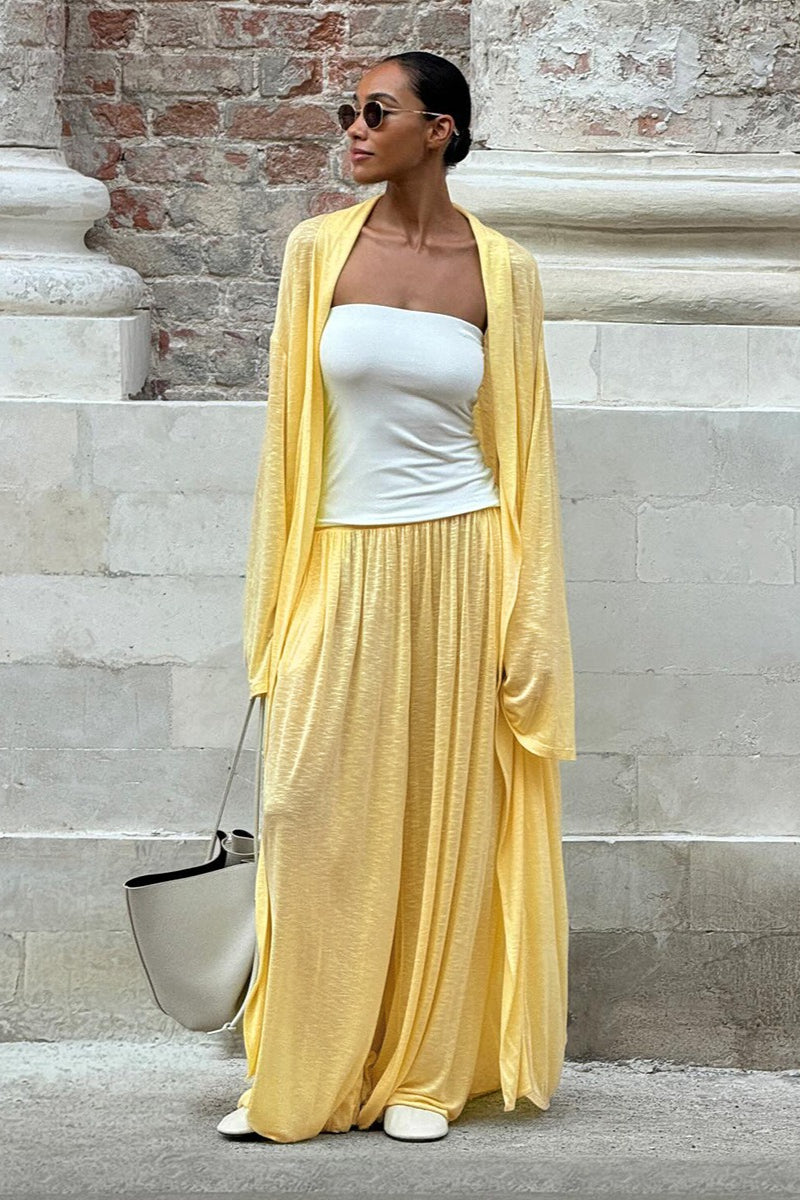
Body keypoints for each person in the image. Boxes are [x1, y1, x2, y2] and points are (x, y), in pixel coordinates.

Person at [217, 49, 576, 1145]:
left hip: (464, 558)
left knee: (446, 818)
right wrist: (281, 597)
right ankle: (302, 1069)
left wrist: (525, 613)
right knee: (307, 809)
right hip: (341, 554)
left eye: (377, 111)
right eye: (349, 111)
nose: (354, 129)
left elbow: (525, 450)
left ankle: (424, 1073)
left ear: (440, 132)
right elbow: (289, 437)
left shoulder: (503, 271)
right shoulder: (316, 252)